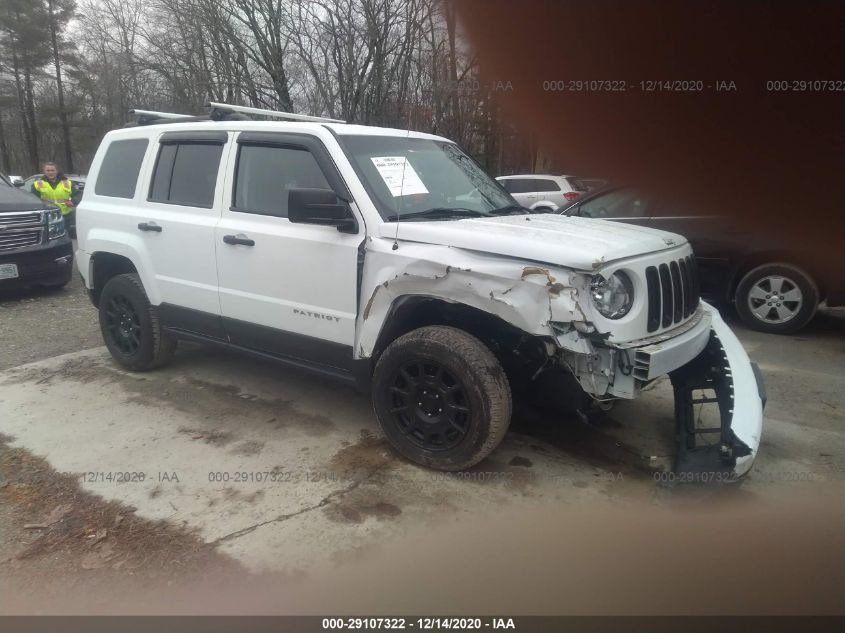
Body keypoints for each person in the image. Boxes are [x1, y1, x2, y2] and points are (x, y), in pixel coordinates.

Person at [31, 162, 76, 236]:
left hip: (65, 216)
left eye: (52, 170)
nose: (50, 172)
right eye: (48, 170)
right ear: (44, 171)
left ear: (57, 171)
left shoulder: (67, 183)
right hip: (47, 216)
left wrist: (73, 201)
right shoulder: (38, 184)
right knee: (49, 238)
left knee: (64, 237)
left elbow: (78, 195)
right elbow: (33, 199)